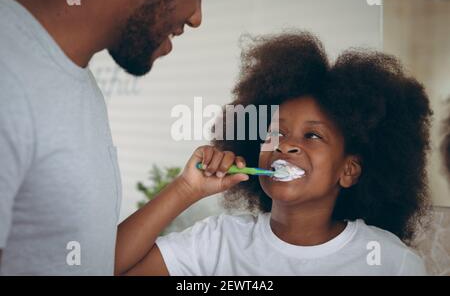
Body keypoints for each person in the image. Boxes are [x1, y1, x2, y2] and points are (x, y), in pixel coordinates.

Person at [115, 31, 432, 275]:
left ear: (348, 170)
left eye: (312, 135)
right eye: (274, 133)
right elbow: (97, 268)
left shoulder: (391, 261)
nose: (284, 145)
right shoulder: (218, 242)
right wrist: (185, 188)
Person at [0, 0, 217, 275]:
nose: (196, 17)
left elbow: (88, 262)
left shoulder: (74, 77)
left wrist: (186, 188)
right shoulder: (9, 71)